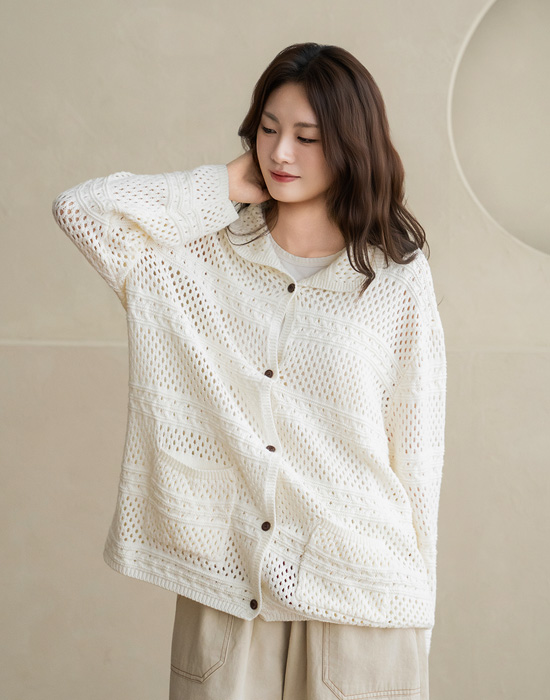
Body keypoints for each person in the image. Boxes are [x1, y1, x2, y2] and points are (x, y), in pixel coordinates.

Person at [52, 42, 446, 700]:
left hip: (364, 601)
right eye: (268, 129)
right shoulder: (194, 259)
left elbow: (419, 460)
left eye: (307, 137)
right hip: (228, 590)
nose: (281, 153)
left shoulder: (395, 280)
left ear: (351, 145)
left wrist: (418, 615)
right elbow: (81, 210)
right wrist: (219, 188)